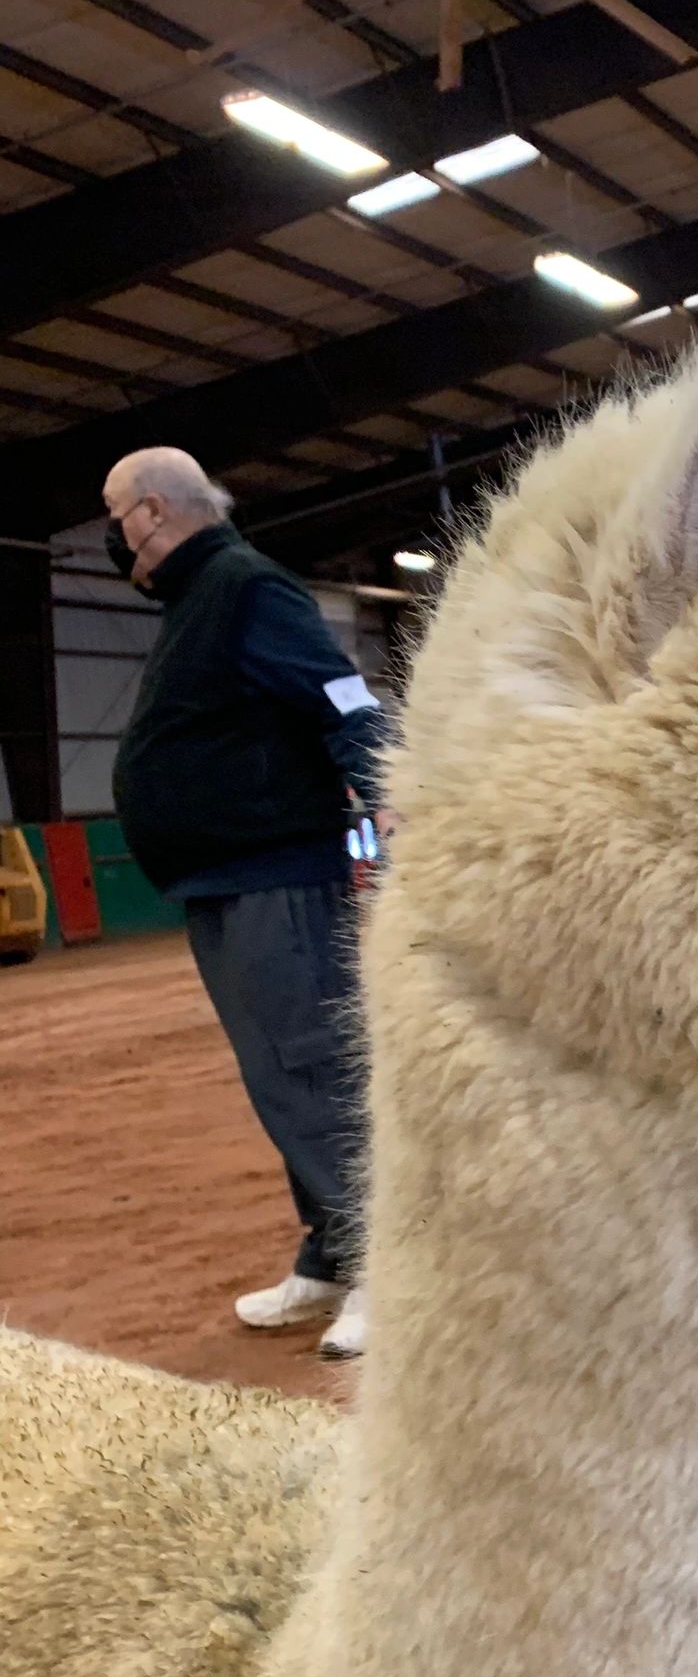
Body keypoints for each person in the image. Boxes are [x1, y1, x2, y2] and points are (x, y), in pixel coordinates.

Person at [104, 446, 385, 1356]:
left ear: (150, 513)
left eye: (116, 519)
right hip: (224, 878)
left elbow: (338, 693)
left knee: (311, 1068)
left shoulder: (245, 585)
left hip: (276, 876)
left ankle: (391, 1266)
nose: (116, 539)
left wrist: (382, 784)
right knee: (280, 1075)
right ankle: (334, 1252)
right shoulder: (201, 600)